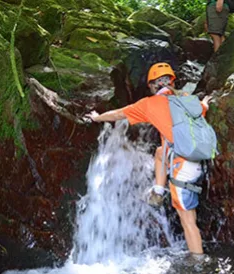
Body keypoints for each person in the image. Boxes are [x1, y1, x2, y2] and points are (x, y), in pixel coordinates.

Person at [79, 62, 213, 256]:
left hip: (182, 166)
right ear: (172, 82)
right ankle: (159, 191)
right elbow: (202, 109)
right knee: (160, 152)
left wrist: (96, 118)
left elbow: (118, 114)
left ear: (152, 86)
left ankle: (198, 265)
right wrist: (207, 102)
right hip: (196, 160)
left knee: (188, 220)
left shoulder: (148, 104)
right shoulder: (186, 97)